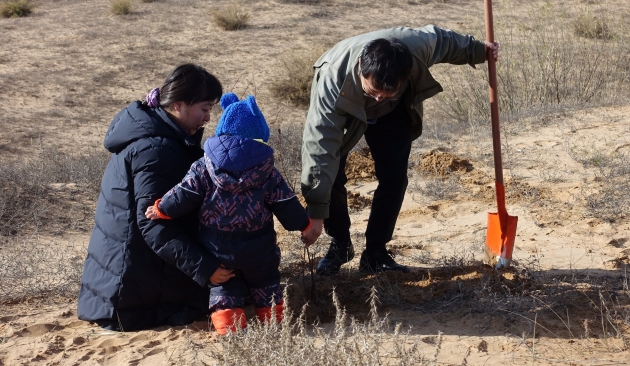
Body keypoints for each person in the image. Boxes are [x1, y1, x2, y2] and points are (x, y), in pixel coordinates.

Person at [301, 25, 499, 276]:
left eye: (387, 93)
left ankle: (375, 252)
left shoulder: (415, 48)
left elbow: (443, 42)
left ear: (405, 77)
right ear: (362, 67)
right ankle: (340, 244)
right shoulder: (333, 78)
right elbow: (320, 147)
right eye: (373, 92)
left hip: (393, 114)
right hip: (346, 107)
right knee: (332, 174)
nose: (378, 99)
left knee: (394, 177)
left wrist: (478, 50)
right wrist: (316, 212)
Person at [145, 92, 320, 335]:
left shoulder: (204, 166)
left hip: (217, 248)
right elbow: (285, 203)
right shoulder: (267, 169)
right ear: (259, 136)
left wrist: (160, 209)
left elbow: (183, 194)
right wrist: (305, 224)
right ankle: (272, 324)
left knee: (224, 286)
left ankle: (229, 329)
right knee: (266, 283)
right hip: (260, 248)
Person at [78, 63, 235, 331]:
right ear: (178, 105)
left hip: (121, 285)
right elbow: (153, 223)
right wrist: (205, 267)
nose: (208, 118)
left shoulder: (160, 137)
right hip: (130, 298)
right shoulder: (157, 149)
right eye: (205, 109)